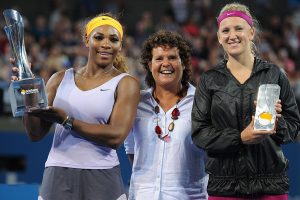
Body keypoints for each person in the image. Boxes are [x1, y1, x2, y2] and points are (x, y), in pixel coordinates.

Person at [12, 13, 140, 200]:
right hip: (58, 174)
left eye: (113, 39)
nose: (106, 44)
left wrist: (66, 120)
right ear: (87, 40)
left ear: (119, 46)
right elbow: (35, 133)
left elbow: (116, 136)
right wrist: (28, 90)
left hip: (102, 177)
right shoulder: (58, 79)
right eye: (99, 37)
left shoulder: (126, 83)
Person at [191, 3, 300, 200]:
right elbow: (200, 134)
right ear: (219, 37)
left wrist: (277, 123)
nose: (232, 35)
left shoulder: (274, 74)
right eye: (225, 30)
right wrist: (241, 137)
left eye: (238, 28)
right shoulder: (209, 80)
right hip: (224, 187)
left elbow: (294, 127)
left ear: (251, 33)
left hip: (271, 186)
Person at [124, 30, 208, 200]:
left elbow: (212, 154)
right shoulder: (136, 102)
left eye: (172, 57)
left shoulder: (202, 102)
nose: (165, 63)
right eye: (159, 58)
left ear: (184, 63)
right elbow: (132, 151)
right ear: (149, 64)